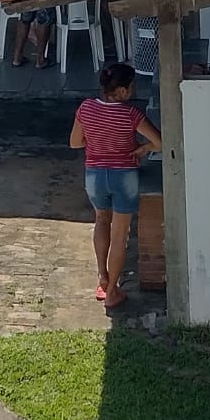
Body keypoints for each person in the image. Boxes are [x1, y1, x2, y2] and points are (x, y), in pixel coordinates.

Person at [70, 62, 162, 308]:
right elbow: (159, 143)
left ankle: (102, 277)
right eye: (131, 87)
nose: (133, 91)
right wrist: (143, 148)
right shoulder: (131, 114)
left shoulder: (86, 108)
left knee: (101, 220)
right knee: (120, 235)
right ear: (122, 91)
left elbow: (75, 143)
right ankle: (112, 291)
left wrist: (97, 142)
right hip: (124, 176)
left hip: (95, 175)